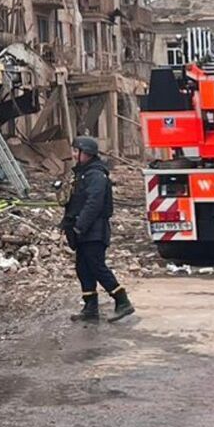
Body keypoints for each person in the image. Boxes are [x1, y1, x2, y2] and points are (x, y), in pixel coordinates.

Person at [61, 136, 134, 323]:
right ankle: (90, 307)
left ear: (87, 154)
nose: (73, 154)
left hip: (93, 231)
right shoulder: (82, 173)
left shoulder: (96, 175)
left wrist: (80, 226)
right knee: (82, 268)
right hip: (83, 230)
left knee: (96, 266)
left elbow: (94, 203)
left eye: (77, 151)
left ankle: (122, 301)